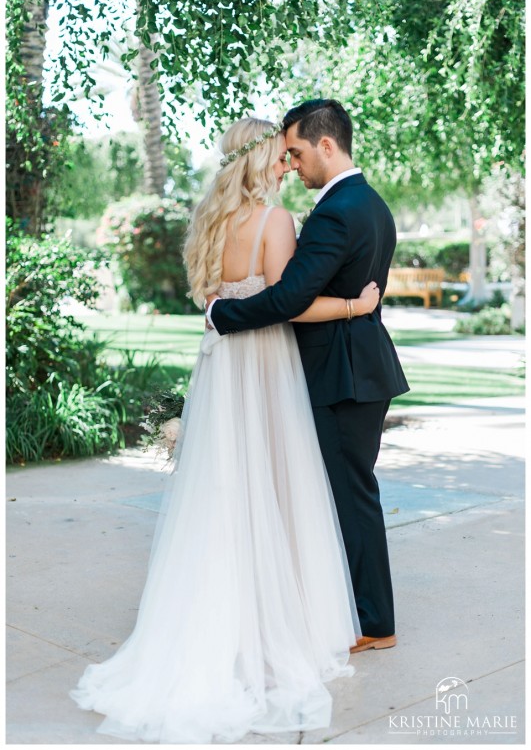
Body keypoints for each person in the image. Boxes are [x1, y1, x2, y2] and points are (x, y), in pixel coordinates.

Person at [70, 117, 381, 744]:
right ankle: (269, 623)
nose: (288, 166)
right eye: (282, 157)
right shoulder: (274, 222)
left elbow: (215, 301)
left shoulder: (211, 222)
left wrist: (226, 312)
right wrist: (357, 305)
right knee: (273, 483)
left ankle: (212, 616)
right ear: (263, 160)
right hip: (263, 362)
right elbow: (289, 302)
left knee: (221, 487)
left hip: (219, 365)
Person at [208, 100, 410, 652]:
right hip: (360, 368)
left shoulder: (337, 212)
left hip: (341, 374)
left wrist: (222, 315)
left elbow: (290, 298)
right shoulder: (370, 203)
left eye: (296, 153)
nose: (292, 164)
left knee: (351, 495)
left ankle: (374, 623)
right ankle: (356, 612)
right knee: (349, 492)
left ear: (326, 145)